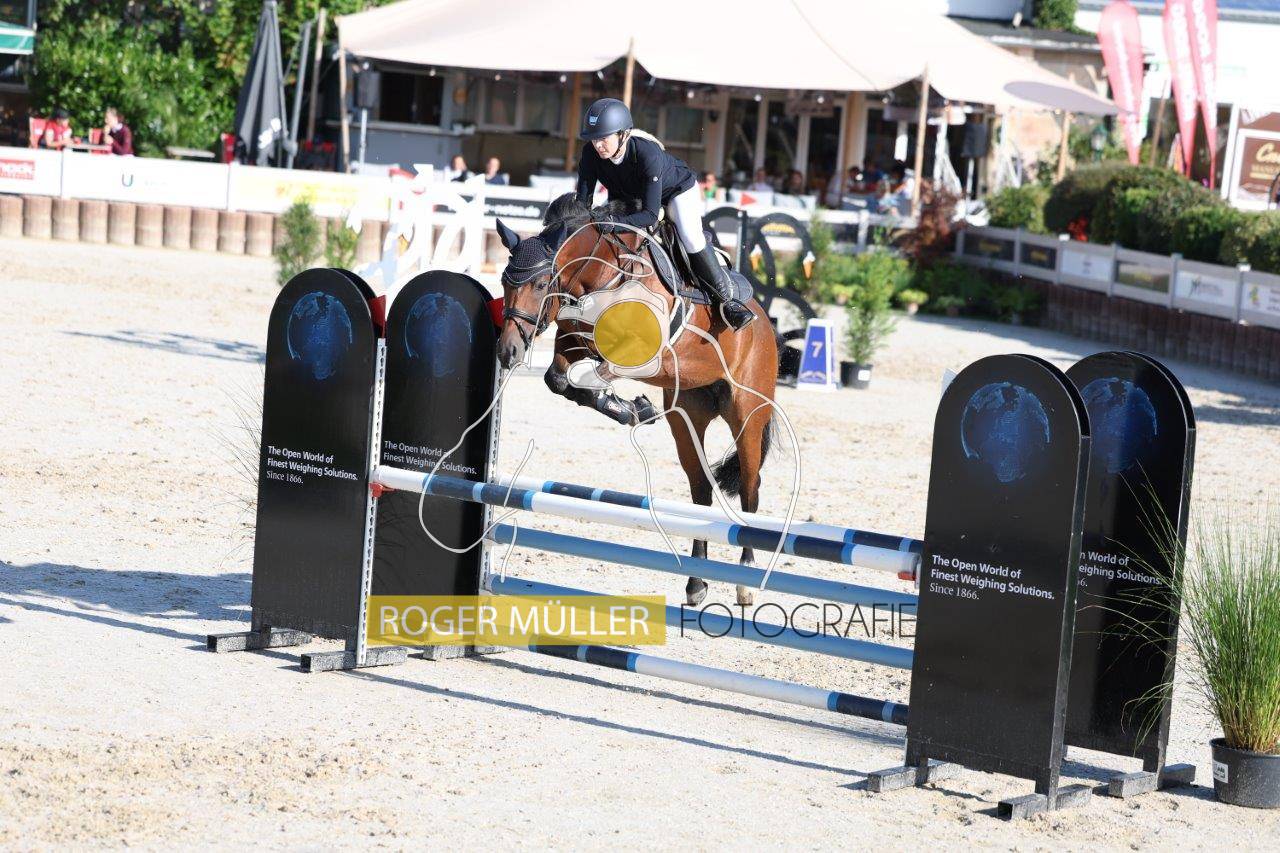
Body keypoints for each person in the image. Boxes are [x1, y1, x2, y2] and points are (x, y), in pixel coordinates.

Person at [575, 97, 753, 330]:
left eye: (603, 138)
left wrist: (612, 222)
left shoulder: (647, 154)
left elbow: (650, 215)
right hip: (631, 196)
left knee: (690, 237)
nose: (598, 145)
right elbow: (582, 205)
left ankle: (727, 302)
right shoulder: (590, 155)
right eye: (594, 139)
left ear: (623, 135)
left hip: (676, 192)